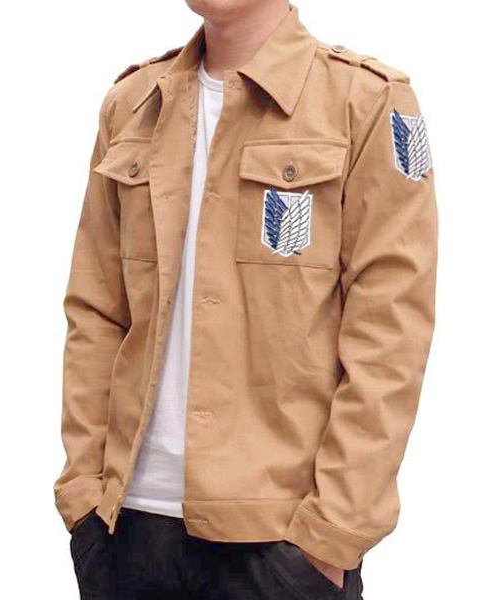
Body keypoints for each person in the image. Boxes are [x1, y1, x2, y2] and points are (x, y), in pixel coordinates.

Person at [55, 1, 437, 598]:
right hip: (126, 530)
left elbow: (391, 336)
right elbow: (96, 309)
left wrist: (331, 534)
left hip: (280, 543)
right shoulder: (131, 104)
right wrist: (83, 492)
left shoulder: (367, 102)